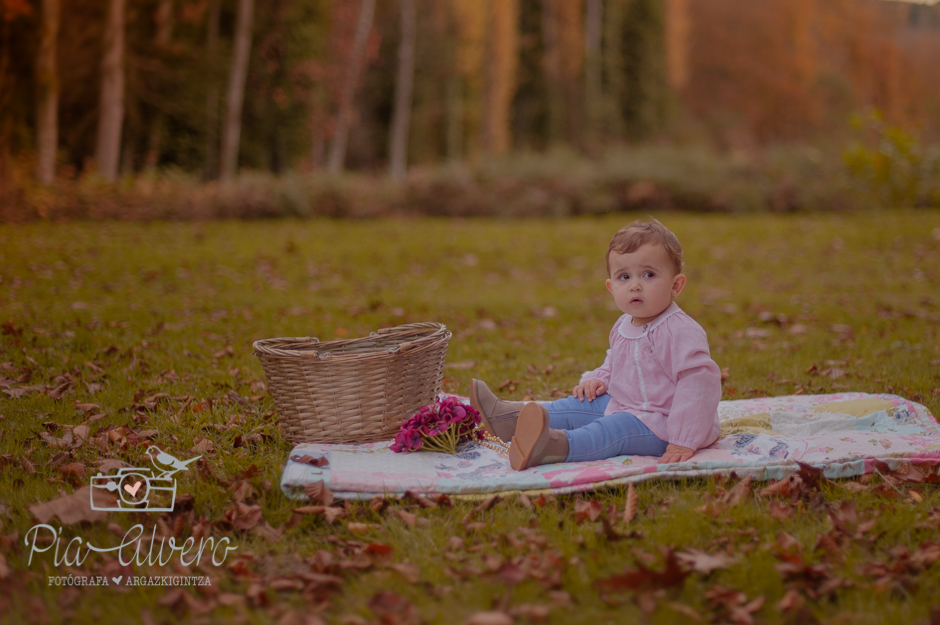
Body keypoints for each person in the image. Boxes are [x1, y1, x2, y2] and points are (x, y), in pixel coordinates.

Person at [469, 219, 721, 471]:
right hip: (624, 402)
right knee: (574, 407)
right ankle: (506, 419)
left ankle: (549, 448)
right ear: (612, 287)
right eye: (624, 276)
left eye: (649, 274)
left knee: (610, 431)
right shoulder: (624, 324)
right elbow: (616, 361)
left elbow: (698, 382)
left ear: (676, 285)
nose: (635, 284)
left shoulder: (679, 330)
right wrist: (599, 378)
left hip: (663, 423)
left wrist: (683, 440)